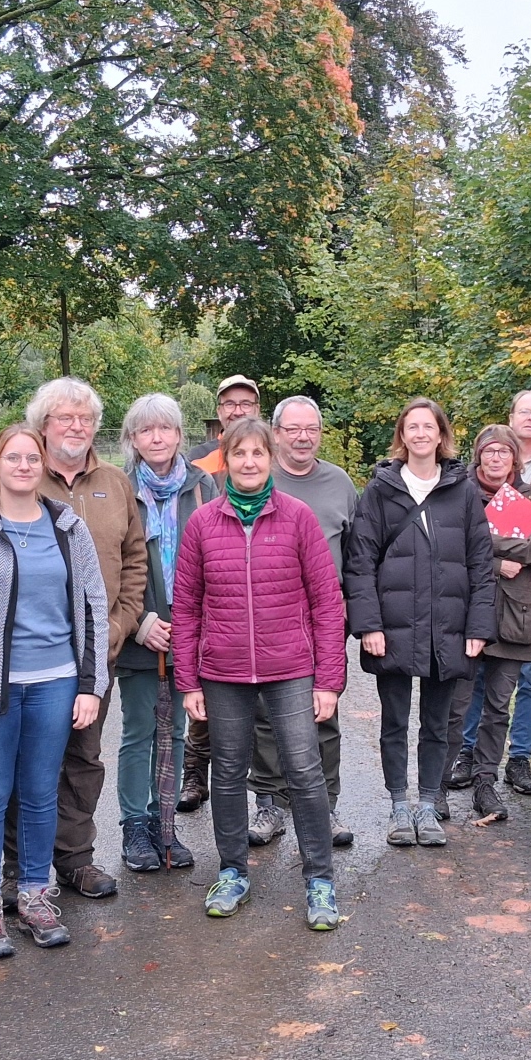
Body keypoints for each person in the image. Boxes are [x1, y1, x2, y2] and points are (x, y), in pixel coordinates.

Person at [0, 425, 109, 958]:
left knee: (40, 793)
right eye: (12, 457)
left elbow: (93, 607)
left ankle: (36, 894)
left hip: (56, 682)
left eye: (31, 457)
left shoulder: (68, 527)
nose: (23, 465)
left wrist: (91, 686)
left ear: (41, 464)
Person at [172, 418, 346, 928]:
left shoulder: (298, 518)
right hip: (222, 672)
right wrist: (188, 680)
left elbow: (326, 604)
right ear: (225, 459)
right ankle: (232, 871)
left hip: (290, 667)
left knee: (304, 770)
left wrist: (328, 679)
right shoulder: (203, 523)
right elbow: (187, 608)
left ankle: (319, 879)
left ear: (271, 459)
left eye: (258, 454)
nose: (249, 462)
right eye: (239, 453)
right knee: (226, 773)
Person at [1, 377, 144, 901]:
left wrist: (121, 622)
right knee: (26, 762)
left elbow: (134, 559)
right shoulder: (22, 475)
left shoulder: (114, 482)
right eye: (66, 418)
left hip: (94, 652)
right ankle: (19, 868)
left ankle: (75, 859)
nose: (78, 427)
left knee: (82, 759)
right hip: (28, 655)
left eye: (86, 419)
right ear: (43, 425)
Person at [345, 398, 495, 849]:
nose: (421, 434)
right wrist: (368, 624)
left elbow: (480, 564)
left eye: (428, 426)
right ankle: (398, 806)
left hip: (446, 627)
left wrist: (477, 628)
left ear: (441, 433)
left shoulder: (462, 489)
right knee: (393, 721)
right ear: (402, 434)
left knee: (439, 723)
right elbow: (360, 560)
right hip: (391, 626)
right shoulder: (381, 489)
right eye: (412, 426)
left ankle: (429, 805)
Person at [245, 395, 359, 848]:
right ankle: (269, 805)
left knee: (323, 712)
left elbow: (357, 553)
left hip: (322, 620)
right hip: (266, 620)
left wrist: (352, 606)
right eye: (292, 429)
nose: (302, 437)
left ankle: (323, 808)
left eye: (310, 428)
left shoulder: (340, 483)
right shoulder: (257, 478)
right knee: (265, 715)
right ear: (276, 434)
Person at [114, 393, 215, 872]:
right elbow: (110, 564)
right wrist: (139, 624)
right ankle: (135, 825)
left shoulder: (202, 486)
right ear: (132, 439)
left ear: (179, 434)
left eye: (166, 428)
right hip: (140, 628)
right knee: (139, 730)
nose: (157, 437)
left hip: (190, 627)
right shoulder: (118, 487)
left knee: (175, 729)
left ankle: (165, 821)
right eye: (145, 430)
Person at [448, 389, 531, 797]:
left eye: (504, 453)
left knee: (507, 695)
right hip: (470, 610)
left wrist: (491, 544)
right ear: (478, 455)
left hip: (517, 611)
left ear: (514, 459)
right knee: (462, 696)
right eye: (489, 451)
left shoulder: (526, 497)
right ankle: (456, 766)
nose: (496, 458)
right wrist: (496, 559)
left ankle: (498, 771)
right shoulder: (458, 494)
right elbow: (456, 548)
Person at [179, 372, 263, 812]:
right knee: (212, 698)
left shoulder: (269, 457)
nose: (236, 409)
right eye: (228, 403)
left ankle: (267, 789)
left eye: (245, 402)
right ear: (218, 411)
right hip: (215, 590)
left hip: (265, 596)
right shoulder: (199, 464)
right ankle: (195, 772)